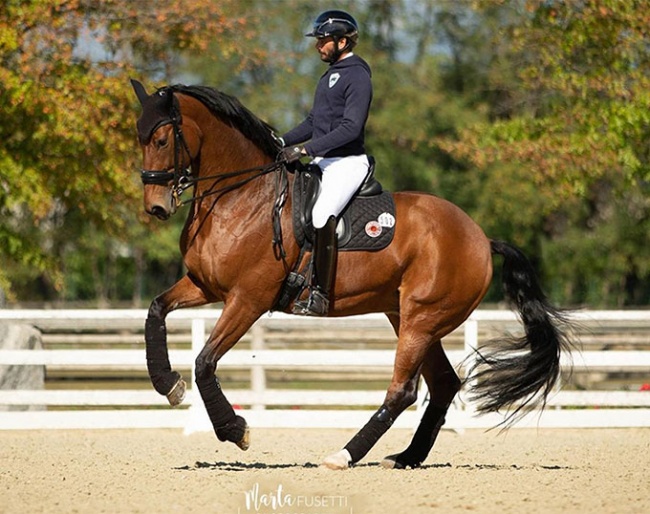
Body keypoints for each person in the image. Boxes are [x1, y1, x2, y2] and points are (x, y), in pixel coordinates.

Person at [280, 9, 373, 316]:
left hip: (346, 163)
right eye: (318, 40)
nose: (318, 46)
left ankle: (320, 294)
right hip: (323, 161)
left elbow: (351, 128)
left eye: (323, 41)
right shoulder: (329, 75)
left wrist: (306, 150)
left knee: (321, 215)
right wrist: (281, 141)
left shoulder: (358, 75)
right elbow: (313, 121)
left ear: (343, 41)